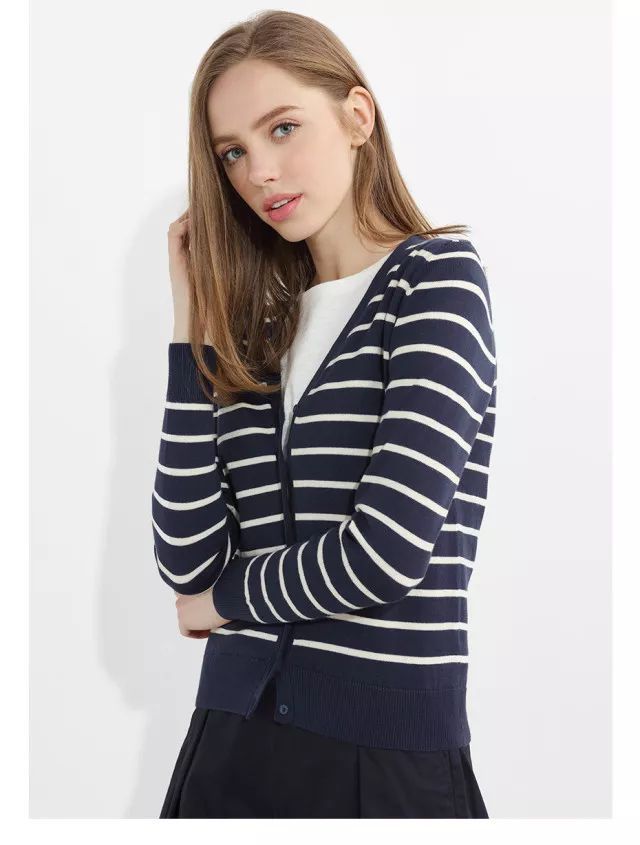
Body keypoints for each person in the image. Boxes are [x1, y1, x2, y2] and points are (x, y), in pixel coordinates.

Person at [153, 9, 496, 818]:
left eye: (283, 128)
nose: (260, 172)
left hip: (382, 756)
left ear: (357, 117)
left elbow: (385, 551)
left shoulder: (435, 281)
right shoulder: (260, 334)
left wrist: (227, 601)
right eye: (233, 152)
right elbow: (187, 560)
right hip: (226, 745)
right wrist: (192, 328)